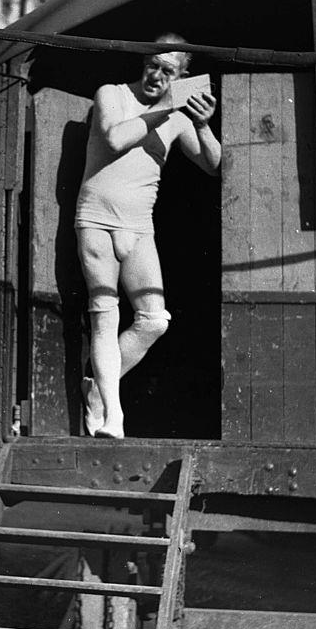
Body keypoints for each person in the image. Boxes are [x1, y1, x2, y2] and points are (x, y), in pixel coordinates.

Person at [74, 34, 222, 437]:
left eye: (168, 71)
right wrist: (163, 108)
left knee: (154, 321)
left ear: (182, 76)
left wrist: (203, 125)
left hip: (139, 227)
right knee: (105, 317)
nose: (157, 75)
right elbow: (116, 137)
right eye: (152, 65)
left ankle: (99, 394)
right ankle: (115, 418)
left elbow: (212, 164)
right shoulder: (113, 94)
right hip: (97, 219)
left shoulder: (176, 118)